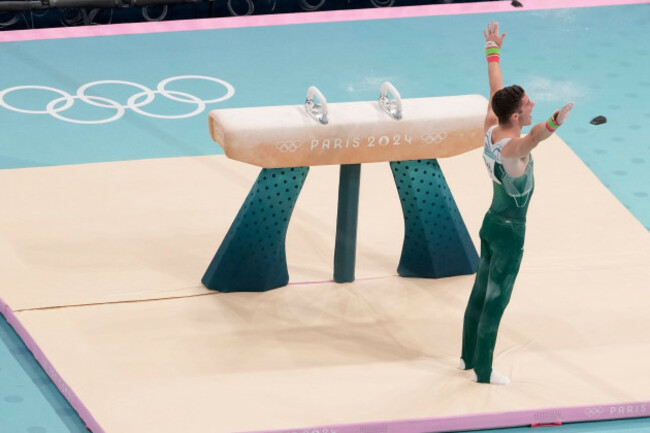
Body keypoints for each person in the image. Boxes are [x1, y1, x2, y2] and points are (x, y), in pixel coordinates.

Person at [458, 21, 574, 385]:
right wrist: (554, 122)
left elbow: (496, 87)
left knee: (480, 289)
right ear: (515, 116)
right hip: (510, 234)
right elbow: (535, 137)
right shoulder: (512, 150)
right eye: (527, 105)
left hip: (492, 222)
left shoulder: (492, 124)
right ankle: (484, 370)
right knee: (496, 298)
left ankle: (466, 355)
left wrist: (492, 51)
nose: (531, 106)